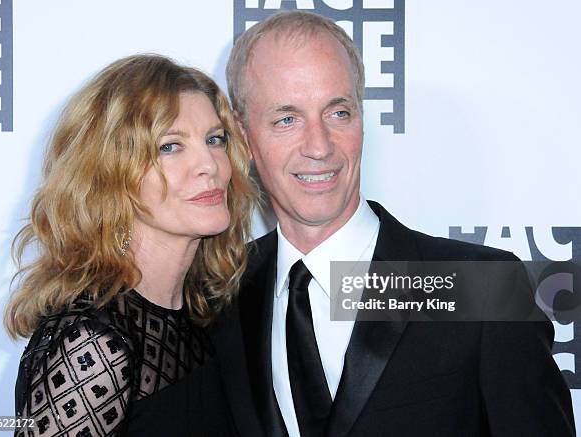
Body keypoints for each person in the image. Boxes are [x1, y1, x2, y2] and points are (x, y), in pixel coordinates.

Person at [210, 10, 576, 437]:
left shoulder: (476, 287)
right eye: (286, 119)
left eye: (338, 112)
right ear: (242, 134)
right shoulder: (223, 292)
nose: (319, 146)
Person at [5, 54, 256, 436]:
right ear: (111, 172)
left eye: (214, 139)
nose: (209, 164)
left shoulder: (205, 313)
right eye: (170, 147)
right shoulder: (92, 344)